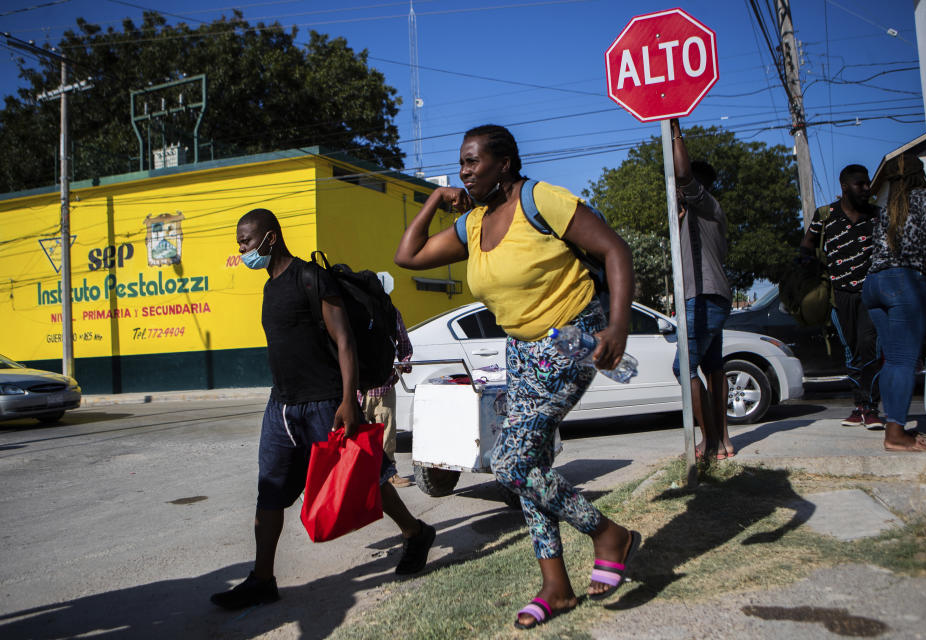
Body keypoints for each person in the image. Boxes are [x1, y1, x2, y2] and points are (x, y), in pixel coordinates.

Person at [394, 124, 640, 630]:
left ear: (503, 163)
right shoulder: (474, 223)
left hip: (573, 336)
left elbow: (616, 250)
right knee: (533, 465)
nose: (463, 172)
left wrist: (619, 325)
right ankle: (557, 585)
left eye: (471, 163)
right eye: (460, 165)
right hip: (522, 350)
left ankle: (608, 534)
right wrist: (436, 198)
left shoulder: (541, 199)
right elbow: (408, 257)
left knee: (508, 463)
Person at [211, 209, 436, 611]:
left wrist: (349, 400)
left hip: (325, 403)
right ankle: (263, 578)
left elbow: (345, 340)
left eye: (246, 241)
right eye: (239, 242)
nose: (241, 249)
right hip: (281, 406)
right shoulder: (269, 287)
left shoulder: (311, 278)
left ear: (270, 238)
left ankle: (415, 532)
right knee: (270, 492)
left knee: (365, 480)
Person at [862, 154, 926, 451]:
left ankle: (892, 424)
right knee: (904, 361)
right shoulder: (922, 197)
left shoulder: (884, 201)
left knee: (892, 360)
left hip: (873, 284)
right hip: (903, 282)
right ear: (917, 174)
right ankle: (895, 434)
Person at [668, 118, 733, 461]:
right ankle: (722, 442)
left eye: (687, 186)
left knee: (684, 368)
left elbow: (683, 175)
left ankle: (708, 445)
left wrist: (675, 128)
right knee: (713, 368)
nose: (679, 189)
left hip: (704, 298)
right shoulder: (689, 218)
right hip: (709, 297)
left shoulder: (707, 207)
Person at [800, 164, 883, 428]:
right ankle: (858, 406)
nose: (866, 188)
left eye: (867, 183)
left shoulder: (876, 215)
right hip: (839, 294)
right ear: (845, 186)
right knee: (851, 350)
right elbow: (807, 245)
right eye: (860, 184)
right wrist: (810, 269)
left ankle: (871, 408)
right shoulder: (826, 216)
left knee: (870, 347)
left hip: (871, 293)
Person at [361, 308, 413, 488]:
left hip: (385, 384)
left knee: (387, 434)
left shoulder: (390, 311)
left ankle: (389, 474)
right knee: (353, 435)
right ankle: (356, 475)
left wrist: (403, 364)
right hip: (357, 388)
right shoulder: (351, 309)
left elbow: (404, 341)